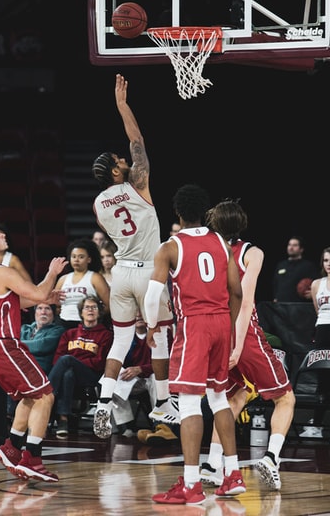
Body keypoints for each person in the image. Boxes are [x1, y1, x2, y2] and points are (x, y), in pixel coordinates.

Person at [144, 183, 247, 505]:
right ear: (204, 211)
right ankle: (232, 474)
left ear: (177, 212)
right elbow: (237, 292)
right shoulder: (220, 240)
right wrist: (229, 330)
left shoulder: (170, 246)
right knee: (218, 397)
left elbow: (151, 297)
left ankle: (191, 483)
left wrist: (150, 327)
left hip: (195, 324)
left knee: (188, 404)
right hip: (220, 323)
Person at [91, 73, 176, 440]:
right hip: (147, 275)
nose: (126, 159)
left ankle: (103, 403)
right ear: (115, 171)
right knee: (159, 336)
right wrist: (122, 106)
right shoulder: (138, 182)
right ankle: (164, 402)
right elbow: (138, 141)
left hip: (121, 274)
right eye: (118, 160)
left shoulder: (97, 204)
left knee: (121, 341)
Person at [201, 199, 295, 491]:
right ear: (242, 224)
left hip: (211, 330)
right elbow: (244, 304)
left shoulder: (206, 250)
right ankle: (270, 457)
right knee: (285, 398)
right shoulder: (251, 252)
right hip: (242, 333)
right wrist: (239, 346)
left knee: (232, 398)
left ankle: (212, 464)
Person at [0, 222, 67, 482]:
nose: (3, 234)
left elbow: (17, 300)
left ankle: (12, 446)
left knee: (29, 396)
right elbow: (37, 291)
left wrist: (46, 299)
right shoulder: (1, 271)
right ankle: (32, 458)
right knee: (46, 395)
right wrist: (52, 272)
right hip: (3, 344)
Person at [48, 295, 113, 438]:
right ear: (81, 312)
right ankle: (63, 421)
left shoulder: (106, 335)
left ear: (99, 312)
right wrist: (72, 363)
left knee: (67, 361)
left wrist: (74, 362)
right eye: (87, 307)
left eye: (94, 307)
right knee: (68, 374)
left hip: (91, 375)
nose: (90, 310)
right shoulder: (69, 334)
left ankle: (45, 396)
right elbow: (56, 359)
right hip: (70, 374)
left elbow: (100, 362)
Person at [110, 312, 172, 437]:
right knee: (111, 381)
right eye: (135, 312)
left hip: (153, 374)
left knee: (156, 379)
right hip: (134, 379)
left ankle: (162, 424)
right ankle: (128, 425)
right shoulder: (124, 335)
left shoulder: (161, 332)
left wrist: (141, 369)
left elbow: (168, 362)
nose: (138, 315)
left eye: (141, 312)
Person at [6, 302, 65, 421]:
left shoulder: (58, 330)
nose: (43, 312)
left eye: (47, 309)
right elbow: (11, 344)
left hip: (40, 369)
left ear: (53, 314)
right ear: (35, 312)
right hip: (18, 365)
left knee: (15, 373)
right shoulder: (24, 328)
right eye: (40, 308)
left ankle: (9, 414)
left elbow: (40, 346)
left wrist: (17, 345)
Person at [302, 246, 330, 438]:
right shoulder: (316, 284)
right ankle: (317, 425)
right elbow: (318, 311)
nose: (329, 264)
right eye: (326, 260)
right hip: (322, 331)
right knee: (323, 379)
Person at [54, 238, 111, 330]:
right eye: (73, 256)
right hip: (63, 324)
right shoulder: (62, 279)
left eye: (81, 257)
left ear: (89, 259)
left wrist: (93, 317)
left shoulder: (95, 278)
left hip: (87, 325)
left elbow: (108, 305)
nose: (76, 260)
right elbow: (56, 305)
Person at [273, 236, 319, 302]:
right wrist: (275, 297)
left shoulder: (308, 266)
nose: (291, 248)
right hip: (281, 306)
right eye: (289, 245)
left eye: (295, 245)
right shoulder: (281, 265)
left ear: (301, 249)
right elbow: (275, 284)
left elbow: (317, 283)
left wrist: (313, 293)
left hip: (299, 306)